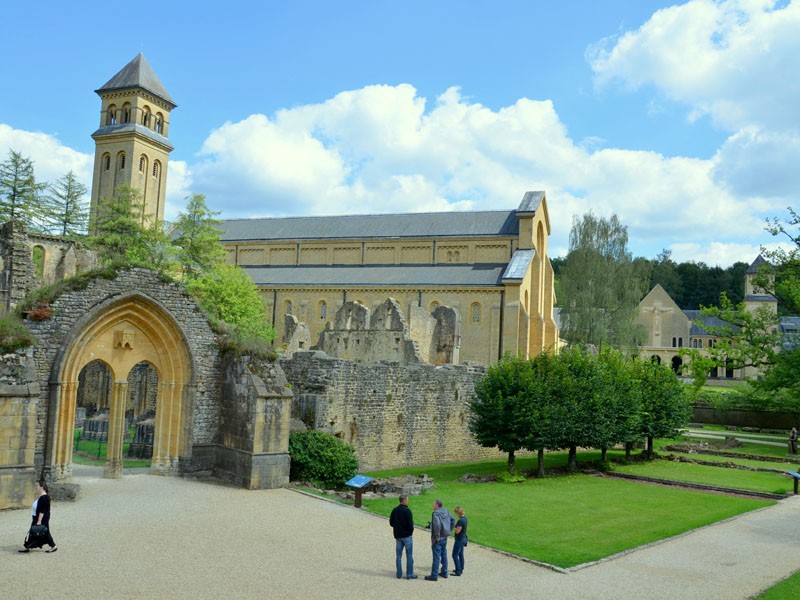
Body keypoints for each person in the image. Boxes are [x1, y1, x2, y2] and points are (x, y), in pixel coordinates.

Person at [19, 481, 57, 553]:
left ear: (41, 487)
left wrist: (39, 521)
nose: (36, 488)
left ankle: (53, 546)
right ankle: (27, 546)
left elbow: (42, 511)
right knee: (34, 531)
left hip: (41, 518)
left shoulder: (44, 498)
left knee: (43, 532)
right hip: (37, 517)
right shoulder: (41, 497)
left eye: (37, 486)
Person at [424, 499, 454, 581]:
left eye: (434, 504)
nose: (433, 505)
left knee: (436, 557)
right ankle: (444, 572)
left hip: (438, 538)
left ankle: (434, 575)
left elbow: (437, 525)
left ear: (437, 505)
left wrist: (437, 535)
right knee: (444, 555)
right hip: (445, 537)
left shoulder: (435, 514)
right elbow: (453, 520)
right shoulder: (446, 511)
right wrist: (449, 530)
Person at [389, 495, 418, 579]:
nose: (408, 501)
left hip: (398, 536)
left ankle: (399, 573)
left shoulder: (395, 510)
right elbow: (410, 525)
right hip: (407, 536)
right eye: (407, 500)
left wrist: (397, 528)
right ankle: (409, 574)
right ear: (404, 500)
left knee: (398, 556)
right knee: (409, 555)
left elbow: (391, 523)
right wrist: (410, 532)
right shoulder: (407, 511)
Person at [451, 506, 468, 576]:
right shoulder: (465, 518)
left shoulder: (460, 521)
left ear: (458, 513)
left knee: (454, 555)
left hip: (459, 540)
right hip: (463, 538)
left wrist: (453, 527)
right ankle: (461, 568)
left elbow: (457, 531)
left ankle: (458, 571)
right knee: (460, 554)